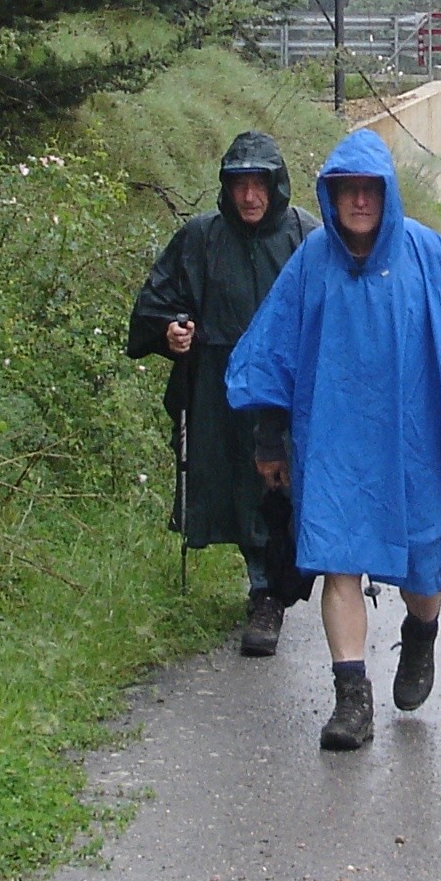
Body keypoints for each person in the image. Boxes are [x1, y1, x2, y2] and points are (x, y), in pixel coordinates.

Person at [224, 129, 441, 752]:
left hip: (417, 443)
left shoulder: (426, 251)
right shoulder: (312, 260)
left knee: (424, 570)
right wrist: (271, 440)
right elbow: (275, 352)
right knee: (338, 560)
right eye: (347, 190)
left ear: (387, 193)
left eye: (370, 189)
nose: (359, 201)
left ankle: (421, 633)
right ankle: (351, 700)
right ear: (330, 196)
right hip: (334, 444)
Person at [126, 132, 319, 657]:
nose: (250, 197)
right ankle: (265, 591)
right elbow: (158, 302)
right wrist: (171, 330)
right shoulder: (201, 237)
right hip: (221, 387)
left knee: (286, 488)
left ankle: (284, 583)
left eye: (260, 184)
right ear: (227, 188)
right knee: (240, 489)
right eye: (240, 185)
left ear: (276, 186)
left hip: (285, 388)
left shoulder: (306, 236)